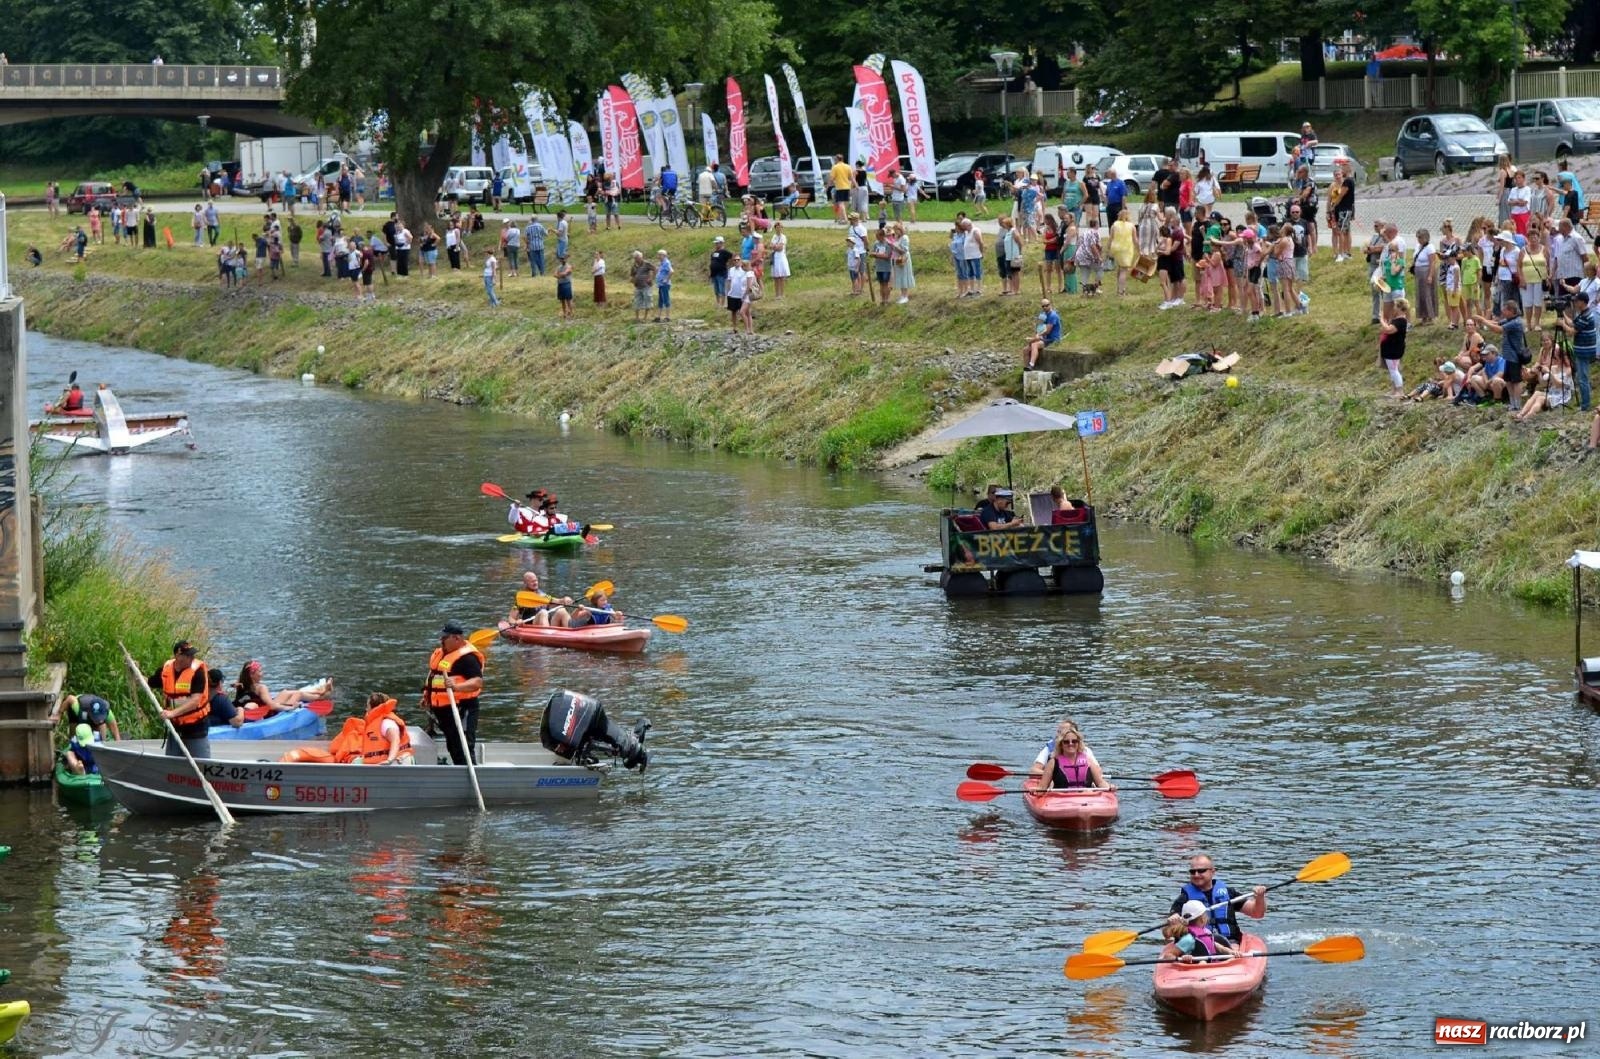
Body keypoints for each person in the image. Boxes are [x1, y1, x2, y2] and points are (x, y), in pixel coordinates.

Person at [1166, 854, 1267, 948]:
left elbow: (1257, 913)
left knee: (1233, 949)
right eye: (1193, 871)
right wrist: (1173, 920)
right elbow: (1170, 926)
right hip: (1199, 943)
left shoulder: (1228, 893)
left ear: (1212, 872)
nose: (1196, 875)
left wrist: (1260, 898)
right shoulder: (1184, 898)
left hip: (1229, 942)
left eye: (1201, 871)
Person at [421, 623, 484, 766]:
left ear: (456, 638)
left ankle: (469, 773)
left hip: (462, 708)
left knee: (463, 746)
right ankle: (458, 771)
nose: (441, 641)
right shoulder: (441, 654)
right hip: (443, 709)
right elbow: (434, 677)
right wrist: (427, 696)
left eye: (444, 638)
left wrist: (456, 686)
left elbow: (477, 682)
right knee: (452, 744)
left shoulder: (467, 658)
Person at [150, 641, 211, 759]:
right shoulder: (166, 669)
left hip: (195, 725)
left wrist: (172, 713)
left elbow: (195, 701)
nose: (192, 658)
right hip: (175, 726)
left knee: (200, 761)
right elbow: (150, 682)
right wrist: (136, 674)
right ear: (178, 656)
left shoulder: (198, 671)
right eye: (188, 655)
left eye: (192, 655)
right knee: (172, 761)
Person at [1028, 719, 1112, 790]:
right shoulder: (1053, 761)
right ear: (1061, 743)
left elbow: (1100, 781)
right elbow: (1041, 786)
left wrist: (1108, 787)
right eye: (1066, 742)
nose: (1070, 744)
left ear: (1078, 742)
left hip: (1086, 797)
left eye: (1074, 741)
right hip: (1061, 799)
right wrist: (1049, 775)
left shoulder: (1087, 757)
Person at [235, 660, 331, 715]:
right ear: (251, 675)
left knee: (285, 692)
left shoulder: (240, 683)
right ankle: (322, 695)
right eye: (259, 671)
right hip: (268, 712)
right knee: (298, 694)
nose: (262, 674)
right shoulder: (261, 687)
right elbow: (272, 706)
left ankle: (321, 692)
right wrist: (291, 707)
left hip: (262, 706)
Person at [1163, 901, 1242, 962]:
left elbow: (1219, 947)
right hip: (1194, 968)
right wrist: (1180, 959)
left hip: (1211, 967)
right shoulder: (1189, 939)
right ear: (1202, 919)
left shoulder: (1206, 932)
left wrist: (1232, 952)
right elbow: (1168, 956)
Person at [1558, 290, 1598, 411]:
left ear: (1582, 302)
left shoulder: (1586, 316)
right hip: (1583, 349)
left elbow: (1572, 331)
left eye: (1576, 301)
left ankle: (1585, 406)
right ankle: (1585, 401)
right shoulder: (1583, 313)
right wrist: (1563, 314)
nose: (1575, 303)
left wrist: (1562, 324)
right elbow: (1573, 323)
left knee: (1582, 378)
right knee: (1584, 377)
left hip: (1584, 351)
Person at [360, 693, 415, 766]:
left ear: (373, 707)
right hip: (383, 764)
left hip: (396, 763)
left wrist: (390, 759)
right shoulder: (379, 721)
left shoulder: (386, 723)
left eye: (367, 706)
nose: (366, 709)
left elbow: (395, 740)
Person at [1379, 297, 1410, 397]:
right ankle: (1394, 390)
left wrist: (1381, 320)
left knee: (1394, 370)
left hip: (1394, 349)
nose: (1394, 308)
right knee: (1392, 370)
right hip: (1390, 348)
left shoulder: (1401, 321)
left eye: (1396, 306)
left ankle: (1400, 391)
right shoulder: (1397, 320)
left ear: (1400, 308)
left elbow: (1388, 330)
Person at [1025, 298, 1061, 370]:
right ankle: (1026, 367)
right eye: (1043, 306)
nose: (1045, 307)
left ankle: (1031, 364)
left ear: (1050, 305)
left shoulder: (1053, 316)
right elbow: (1039, 328)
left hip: (1052, 338)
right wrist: (1036, 336)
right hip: (1044, 338)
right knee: (1025, 349)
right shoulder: (1043, 315)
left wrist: (1035, 338)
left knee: (1034, 344)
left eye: (1046, 305)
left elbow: (1047, 331)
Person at [206, 665, 243, 731]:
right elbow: (237, 722)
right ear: (220, 683)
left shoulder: (199, 695)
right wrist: (241, 710)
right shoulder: (221, 699)